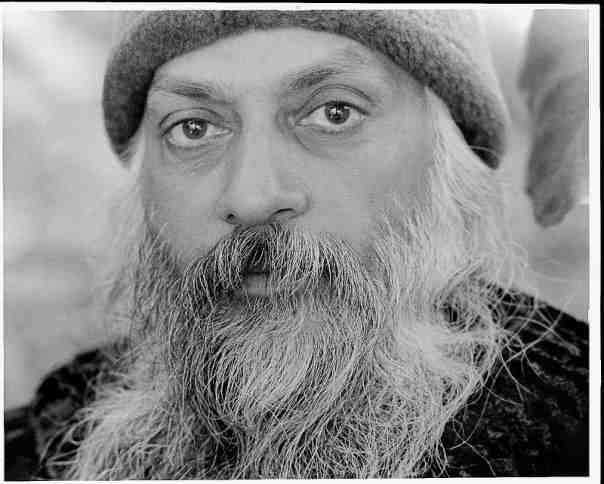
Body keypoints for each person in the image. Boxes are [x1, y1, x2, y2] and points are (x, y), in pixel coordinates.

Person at [4, 10, 589, 480]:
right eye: (193, 128)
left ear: (450, 166)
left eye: (335, 113)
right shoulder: (37, 452)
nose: (252, 197)